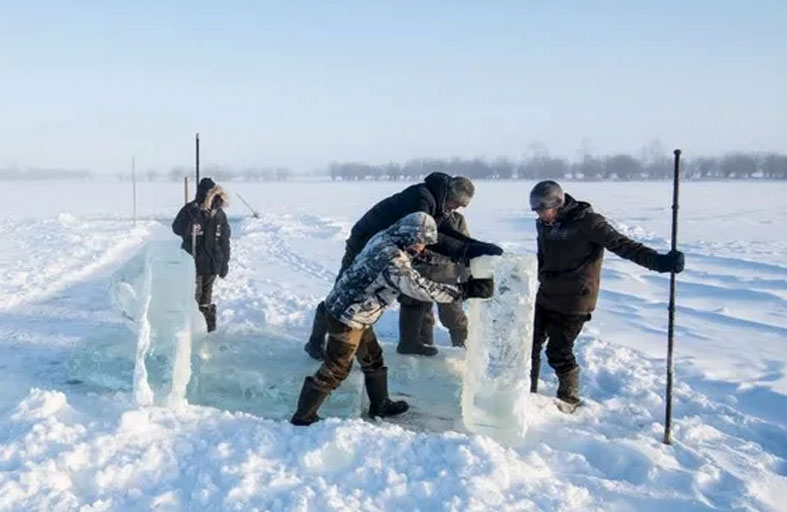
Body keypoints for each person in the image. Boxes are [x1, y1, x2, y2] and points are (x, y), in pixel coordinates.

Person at [291, 212, 495, 426]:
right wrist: (465, 290)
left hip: (356, 311)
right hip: (347, 317)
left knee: (372, 358)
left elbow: (410, 259)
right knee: (337, 368)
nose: (422, 248)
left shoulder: (386, 237)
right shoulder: (391, 257)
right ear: (409, 237)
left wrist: (442, 256)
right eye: (420, 243)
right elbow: (420, 288)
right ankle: (303, 416)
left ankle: (380, 405)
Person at [303, 172, 503, 360]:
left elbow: (444, 230)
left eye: (460, 207)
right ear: (448, 194)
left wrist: (477, 246)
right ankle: (315, 340)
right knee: (342, 292)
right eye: (454, 203)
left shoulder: (438, 203)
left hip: (383, 246)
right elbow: (431, 236)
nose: (455, 209)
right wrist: (465, 251)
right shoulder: (421, 199)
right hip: (364, 245)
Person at [529, 180, 685, 407]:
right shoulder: (543, 225)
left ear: (558, 204)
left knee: (558, 351)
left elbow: (623, 245)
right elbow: (543, 256)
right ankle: (526, 392)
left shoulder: (588, 222)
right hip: (547, 295)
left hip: (575, 299)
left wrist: (661, 262)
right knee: (529, 344)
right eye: (537, 212)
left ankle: (569, 399)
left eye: (544, 210)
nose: (542, 216)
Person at [399, 210, 471, 353]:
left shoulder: (456, 220)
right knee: (419, 313)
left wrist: (466, 275)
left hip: (446, 275)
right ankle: (423, 348)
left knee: (453, 316)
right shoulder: (419, 216)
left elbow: (464, 247)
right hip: (419, 273)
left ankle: (463, 350)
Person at [172, 177, 231, 332]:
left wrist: (225, 262)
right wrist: (191, 217)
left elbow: (225, 240)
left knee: (207, 296)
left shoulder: (219, 214)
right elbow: (177, 229)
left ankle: (207, 329)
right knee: (194, 295)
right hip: (193, 262)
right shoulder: (191, 210)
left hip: (212, 263)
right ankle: (190, 328)